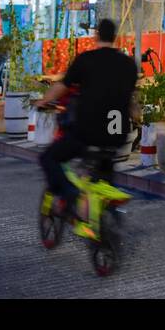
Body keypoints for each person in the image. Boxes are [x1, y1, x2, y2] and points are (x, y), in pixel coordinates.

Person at [36, 19, 139, 214]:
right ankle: (104, 223)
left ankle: (70, 193)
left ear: (96, 35)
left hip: (87, 133)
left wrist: (43, 100)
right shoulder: (128, 64)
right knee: (104, 168)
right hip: (117, 134)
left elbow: (62, 86)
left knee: (48, 159)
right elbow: (133, 101)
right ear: (115, 37)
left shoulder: (85, 60)